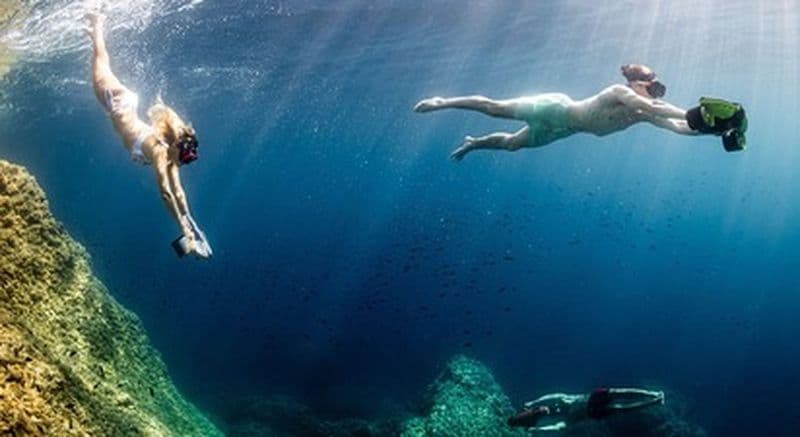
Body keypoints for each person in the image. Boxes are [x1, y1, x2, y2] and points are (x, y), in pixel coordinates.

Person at [414, 64, 746, 160]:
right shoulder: (620, 93)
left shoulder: (644, 115)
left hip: (565, 129)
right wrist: (694, 114)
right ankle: (443, 102)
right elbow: (651, 106)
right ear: (637, 83)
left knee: (512, 145)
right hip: (554, 108)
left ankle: (473, 145)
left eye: (660, 90)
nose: (657, 93)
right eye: (655, 86)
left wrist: (711, 130)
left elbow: (677, 127)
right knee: (494, 109)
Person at [87, 12, 211, 259]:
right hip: (117, 102)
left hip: (125, 103)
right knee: (100, 63)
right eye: (182, 158)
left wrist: (192, 226)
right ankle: (97, 22)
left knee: (102, 64)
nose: (181, 164)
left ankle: (95, 30)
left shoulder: (170, 156)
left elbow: (178, 192)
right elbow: (165, 193)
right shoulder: (159, 151)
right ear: (175, 146)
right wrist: (183, 230)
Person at [507, 387, 665, 432]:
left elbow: (552, 397)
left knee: (618, 400)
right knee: (619, 402)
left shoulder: (560, 402)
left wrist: (533, 403)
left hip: (589, 404)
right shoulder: (561, 406)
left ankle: (654, 397)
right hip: (589, 408)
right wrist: (539, 429)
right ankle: (654, 399)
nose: (543, 410)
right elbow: (558, 426)